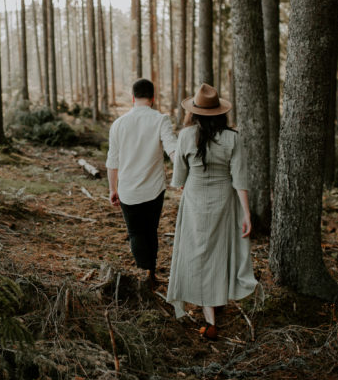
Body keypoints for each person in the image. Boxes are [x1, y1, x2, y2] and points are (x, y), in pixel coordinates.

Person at [166, 83, 257, 341]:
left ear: (195, 112)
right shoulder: (233, 138)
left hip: (194, 197)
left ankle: (209, 317)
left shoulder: (185, 136)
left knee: (194, 250)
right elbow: (240, 179)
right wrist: (247, 214)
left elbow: (178, 178)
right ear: (220, 112)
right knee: (217, 252)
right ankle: (213, 309)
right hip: (223, 200)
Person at [106, 79, 177, 289]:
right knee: (150, 231)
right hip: (154, 189)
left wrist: (112, 189)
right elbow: (172, 149)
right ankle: (151, 274)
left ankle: (142, 274)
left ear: (133, 98)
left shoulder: (118, 124)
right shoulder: (161, 120)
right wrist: (183, 172)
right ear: (153, 98)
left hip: (128, 190)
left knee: (135, 232)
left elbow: (112, 161)